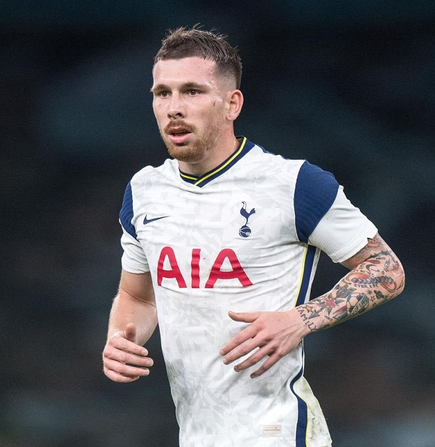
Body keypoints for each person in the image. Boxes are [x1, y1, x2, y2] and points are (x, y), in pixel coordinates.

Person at [102, 26, 405, 447]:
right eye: (162, 93)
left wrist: (299, 320)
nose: (174, 108)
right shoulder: (144, 191)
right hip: (197, 435)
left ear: (232, 103)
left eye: (192, 91)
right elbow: (138, 296)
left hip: (277, 432)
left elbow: (386, 268)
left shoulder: (294, 184)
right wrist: (120, 338)